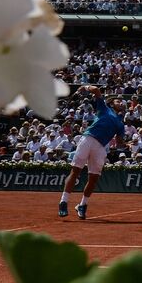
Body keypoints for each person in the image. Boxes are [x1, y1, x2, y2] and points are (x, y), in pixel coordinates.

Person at [60, 85, 125, 219]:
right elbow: (96, 90)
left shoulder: (120, 123)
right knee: (75, 171)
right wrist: (85, 87)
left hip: (101, 147)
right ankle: (63, 202)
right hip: (87, 139)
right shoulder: (104, 108)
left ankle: (82, 205)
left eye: (122, 101)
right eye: (118, 101)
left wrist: (126, 144)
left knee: (94, 178)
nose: (121, 102)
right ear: (112, 103)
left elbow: (119, 143)